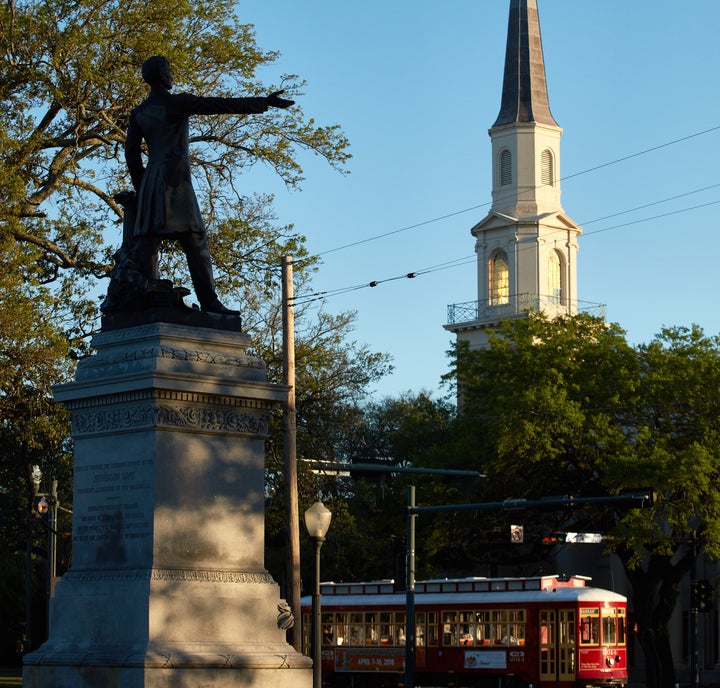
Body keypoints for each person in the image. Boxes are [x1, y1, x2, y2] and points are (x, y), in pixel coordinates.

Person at [124, 55, 294, 314]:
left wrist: (142, 187)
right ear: (161, 75)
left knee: (148, 242)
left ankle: (149, 297)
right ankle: (209, 302)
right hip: (175, 181)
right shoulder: (178, 102)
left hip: (151, 181)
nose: (172, 75)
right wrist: (264, 102)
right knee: (195, 240)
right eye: (169, 70)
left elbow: (131, 155)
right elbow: (220, 105)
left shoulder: (139, 113)